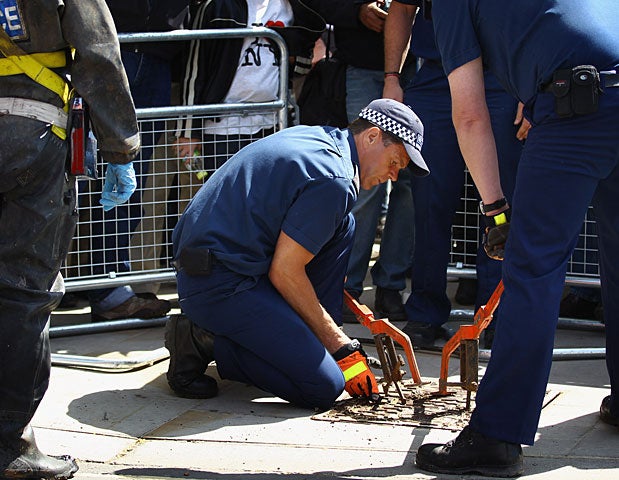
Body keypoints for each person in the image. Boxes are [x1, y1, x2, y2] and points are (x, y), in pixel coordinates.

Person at [414, 0, 619, 476]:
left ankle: (497, 434)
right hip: (592, 87)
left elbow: (468, 114)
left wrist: (496, 212)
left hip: (577, 108)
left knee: (532, 270)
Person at [165, 98, 428, 407]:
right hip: (217, 284)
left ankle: (309, 344)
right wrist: (340, 345)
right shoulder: (335, 179)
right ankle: (200, 338)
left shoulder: (323, 140)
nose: (394, 175)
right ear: (372, 137)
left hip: (221, 264)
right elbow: (285, 271)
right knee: (323, 385)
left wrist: (330, 339)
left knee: (344, 224)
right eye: (395, 162)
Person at [0, 0, 139, 478]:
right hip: (28, 132)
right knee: (23, 291)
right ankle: (8, 446)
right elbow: (97, 51)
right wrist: (120, 146)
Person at [383, 1, 524, 348]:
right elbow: (401, 8)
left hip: (503, 78)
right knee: (429, 201)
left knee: (500, 204)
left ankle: (492, 317)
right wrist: (392, 78)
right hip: (434, 77)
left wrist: (532, 85)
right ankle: (424, 314)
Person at [78, 0, 192, 321]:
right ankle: (107, 287)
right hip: (125, 49)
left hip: (141, 51)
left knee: (116, 180)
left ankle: (97, 283)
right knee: (117, 179)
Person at [305, 0, 417, 321]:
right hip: (362, 64)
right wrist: (357, 11)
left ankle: (390, 285)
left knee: (408, 180)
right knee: (365, 179)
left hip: (419, 69)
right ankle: (346, 287)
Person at [174, 0, 325, 171]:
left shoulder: (290, 7)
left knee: (267, 192)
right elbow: (194, 70)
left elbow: (303, 64)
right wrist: (187, 132)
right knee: (225, 193)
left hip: (272, 123)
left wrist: (287, 51)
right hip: (223, 126)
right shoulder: (217, 6)